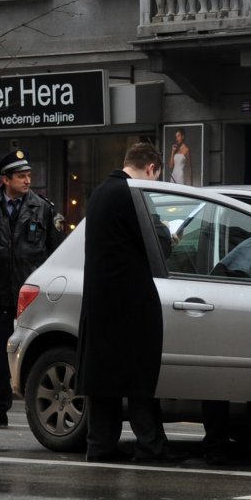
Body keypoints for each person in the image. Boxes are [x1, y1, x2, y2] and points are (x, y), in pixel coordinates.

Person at [75, 142, 182, 463]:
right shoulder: (131, 194)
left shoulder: (100, 193)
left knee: (104, 377)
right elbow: (155, 241)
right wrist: (169, 236)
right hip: (130, 300)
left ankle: (101, 444)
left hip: (100, 299)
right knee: (138, 376)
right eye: (155, 176)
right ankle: (151, 445)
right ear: (151, 168)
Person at [0, 150, 62, 427]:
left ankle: (40, 408)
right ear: (5, 179)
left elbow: (54, 252)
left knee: (35, 349)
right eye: (21, 176)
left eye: (29, 175)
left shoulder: (43, 208)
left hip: (31, 293)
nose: (27, 180)